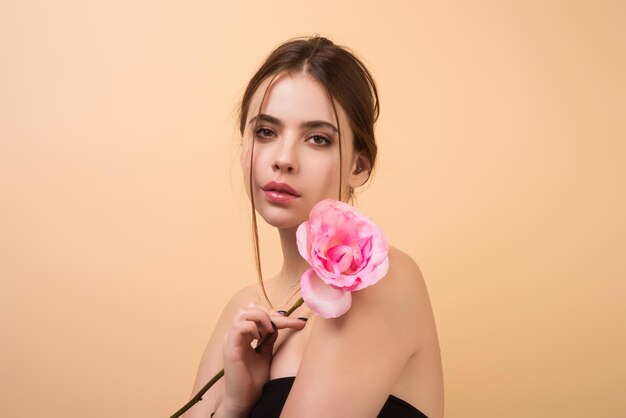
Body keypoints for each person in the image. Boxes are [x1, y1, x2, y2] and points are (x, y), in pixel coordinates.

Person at [182, 35, 444, 418]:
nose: (283, 159)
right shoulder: (243, 310)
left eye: (317, 139)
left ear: (359, 167)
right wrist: (235, 404)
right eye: (265, 132)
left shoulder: (376, 280)